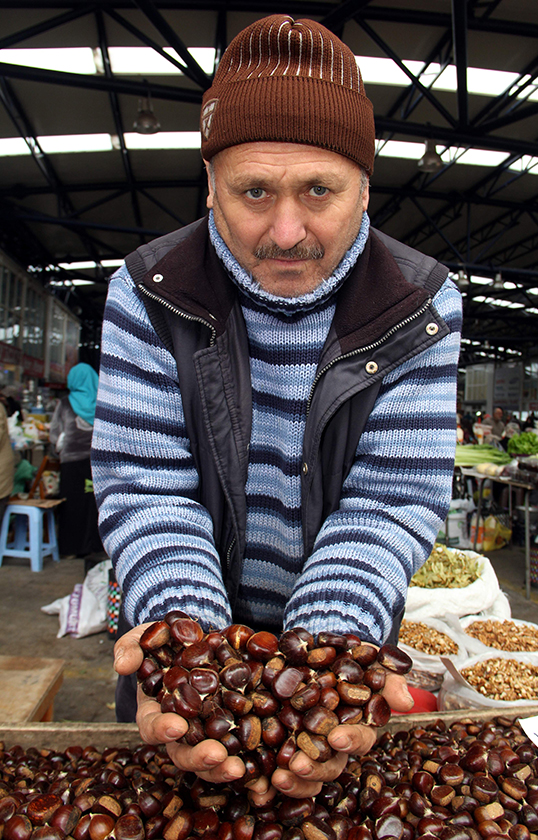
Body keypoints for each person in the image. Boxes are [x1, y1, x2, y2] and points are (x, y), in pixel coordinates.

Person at [92, 15, 462, 800]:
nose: (286, 232)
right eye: (253, 191)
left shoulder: (420, 306)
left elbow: (390, 499)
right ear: (210, 184)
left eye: (319, 191)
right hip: (186, 630)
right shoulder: (149, 292)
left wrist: (326, 659)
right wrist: (191, 656)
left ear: (365, 186)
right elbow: (147, 486)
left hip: (339, 638)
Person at [50, 363, 103, 559]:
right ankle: (96, 545)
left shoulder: (65, 403)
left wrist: (56, 450)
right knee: (94, 504)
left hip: (71, 463)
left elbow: (55, 434)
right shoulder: (102, 401)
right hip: (96, 462)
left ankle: (72, 548)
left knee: (72, 505)